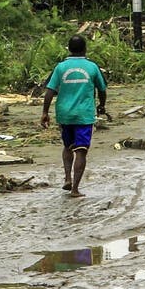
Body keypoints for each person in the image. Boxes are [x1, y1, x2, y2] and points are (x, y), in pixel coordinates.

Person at [40, 35, 108, 197]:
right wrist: (102, 105)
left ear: (69, 49)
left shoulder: (61, 67)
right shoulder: (92, 67)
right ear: (85, 48)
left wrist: (45, 112)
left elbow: (50, 91)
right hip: (84, 115)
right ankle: (75, 189)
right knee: (81, 151)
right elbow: (102, 89)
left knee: (67, 146)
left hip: (64, 114)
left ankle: (67, 178)